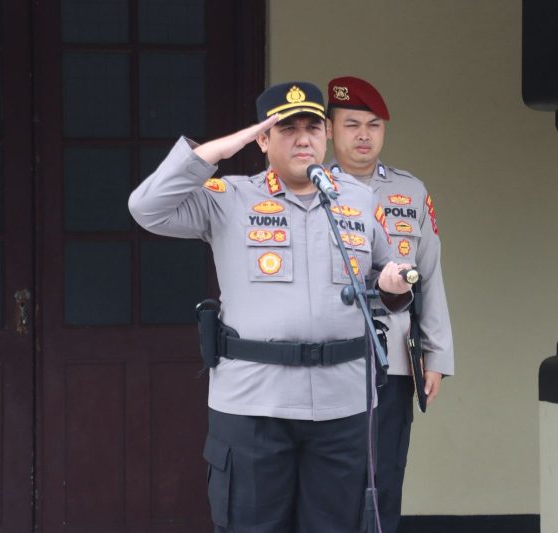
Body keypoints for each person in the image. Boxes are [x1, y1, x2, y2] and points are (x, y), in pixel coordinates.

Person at [129, 81, 413, 533]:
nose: (303, 139)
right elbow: (147, 208)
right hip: (254, 405)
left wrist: (394, 285)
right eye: (287, 129)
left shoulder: (357, 200)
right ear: (262, 139)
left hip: (342, 407)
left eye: (312, 128)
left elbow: (385, 282)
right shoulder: (229, 197)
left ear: (325, 135)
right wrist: (222, 148)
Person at [326, 76, 455, 533]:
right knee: (331, 479)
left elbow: (431, 275)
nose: (364, 136)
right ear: (329, 130)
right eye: (352, 124)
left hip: (394, 358)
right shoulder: (312, 188)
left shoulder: (411, 191)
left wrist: (436, 356)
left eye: (374, 125)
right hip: (329, 357)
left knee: (385, 476)